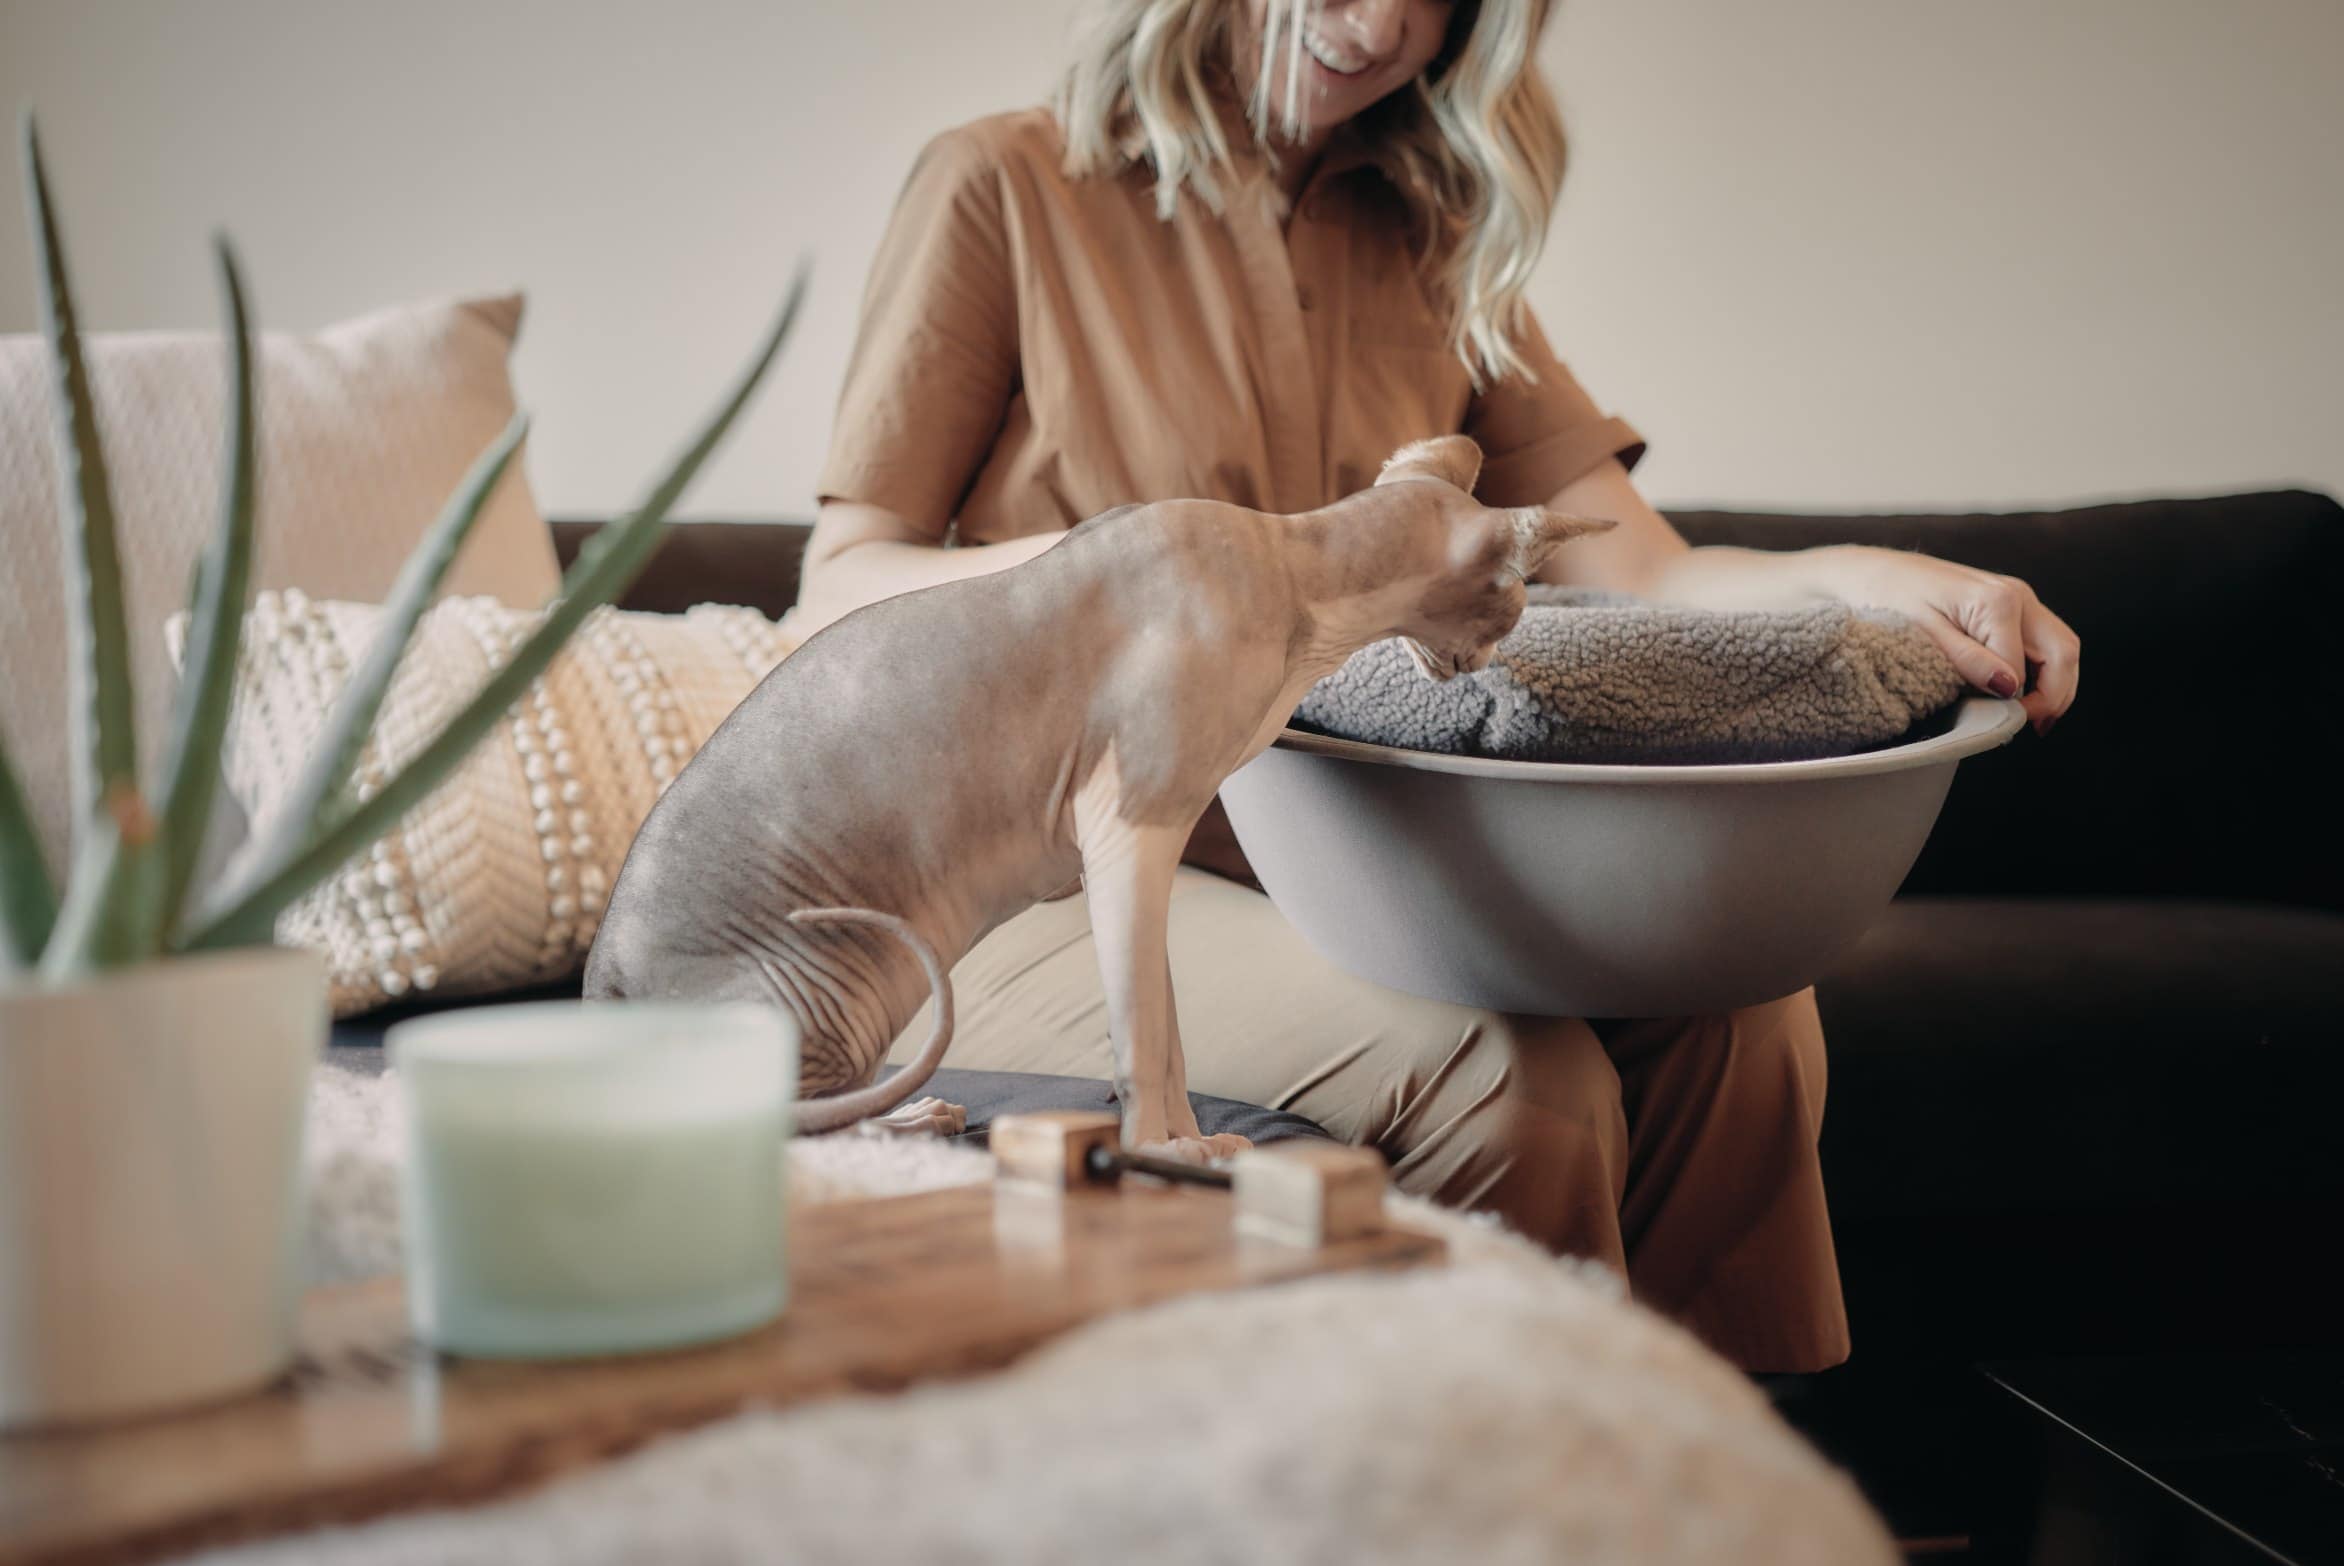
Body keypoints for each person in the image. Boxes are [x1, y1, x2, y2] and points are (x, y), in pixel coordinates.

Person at [787, 0, 2080, 1374]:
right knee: (1521, 1089)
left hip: (1341, 858)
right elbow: (840, 583)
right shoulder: (1003, 185)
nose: (1386, 20)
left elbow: (1644, 568)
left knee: (1744, 1019)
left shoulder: (1436, 232)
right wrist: (1159, 570)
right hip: (1041, 887)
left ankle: (1721, 1493)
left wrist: (1874, 579)